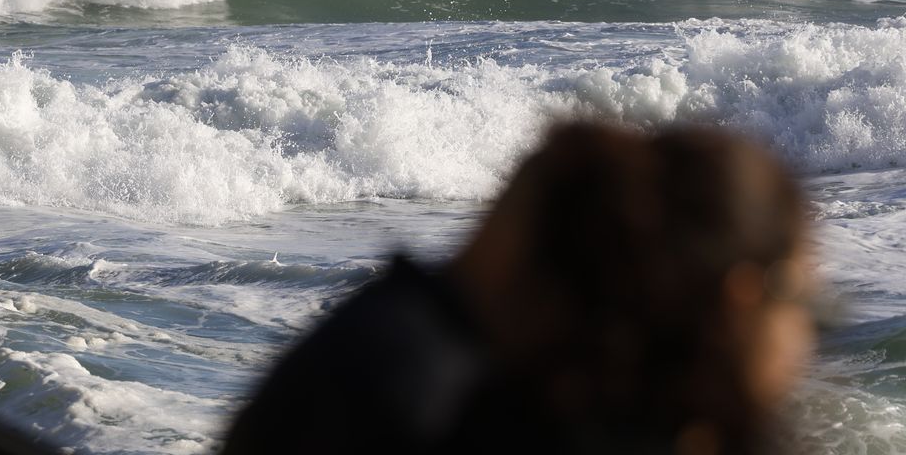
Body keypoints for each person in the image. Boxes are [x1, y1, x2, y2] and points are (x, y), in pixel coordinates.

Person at [222, 122, 817, 455]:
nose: (809, 338)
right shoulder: (425, 400)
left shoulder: (396, 345)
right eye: (808, 303)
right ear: (743, 296)